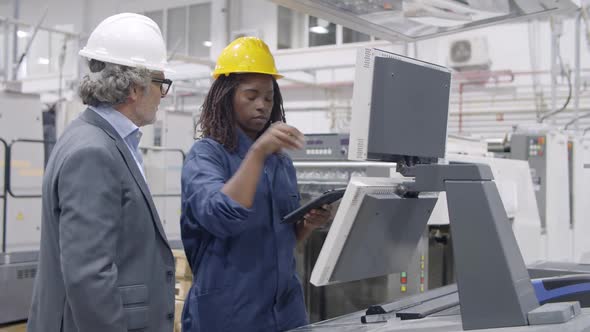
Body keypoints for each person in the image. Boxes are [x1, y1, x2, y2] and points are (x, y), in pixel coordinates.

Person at [28, 13, 176, 332]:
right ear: (136, 88)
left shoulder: (98, 139)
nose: (163, 96)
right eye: (161, 84)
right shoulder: (93, 152)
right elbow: (89, 275)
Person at [180, 36, 332, 332]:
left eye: (269, 97)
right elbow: (222, 216)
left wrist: (308, 224)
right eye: (252, 96)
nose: (262, 105)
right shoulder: (206, 155)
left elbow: (280, 238)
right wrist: (258, 152)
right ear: (226, 96)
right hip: (230, 314)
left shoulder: (280, 162)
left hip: (285, 311)